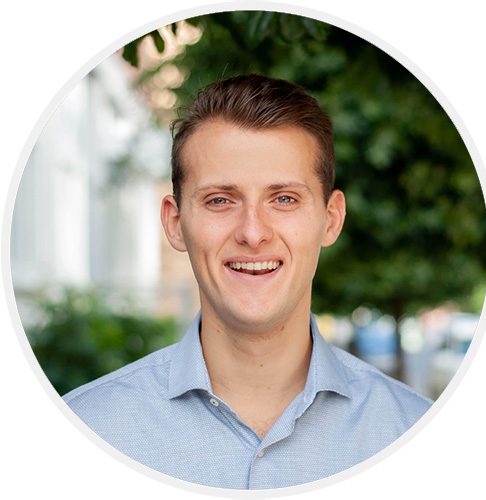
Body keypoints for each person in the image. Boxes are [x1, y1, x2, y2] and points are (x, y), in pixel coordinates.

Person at [63, 74, 432, 489]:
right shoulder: (79, 435)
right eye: (220, 200)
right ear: (175, 222)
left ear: (330, 219)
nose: (253, 233)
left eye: (284, 199)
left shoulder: (420, 440)